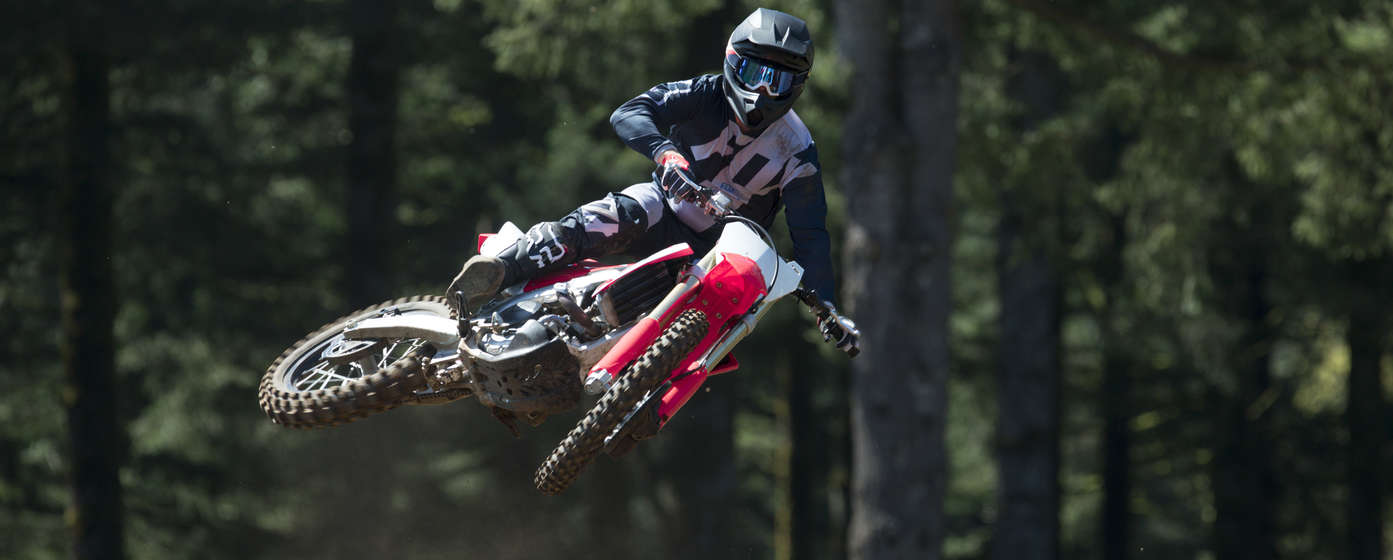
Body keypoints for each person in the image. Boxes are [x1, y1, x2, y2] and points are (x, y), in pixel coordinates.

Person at [449, 7, 851, 348]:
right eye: (751, 71)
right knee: (615, 213)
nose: (762, 89)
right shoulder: (703, 93)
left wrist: (826, 307)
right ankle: (500, 268)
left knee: (726, 314)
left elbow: (811, 234)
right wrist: (665, 153)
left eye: (777, 80)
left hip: (715, 256)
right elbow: (629, 112)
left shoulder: (799, 151)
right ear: (731, 61)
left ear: (796, 87)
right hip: (662, 208)